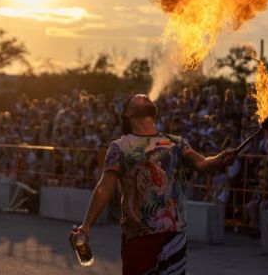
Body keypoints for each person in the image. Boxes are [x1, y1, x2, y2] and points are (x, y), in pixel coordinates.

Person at [76, 94, 236, 275]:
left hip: (173, 234)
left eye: (147, 97)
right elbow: (105, 187)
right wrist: (86, 225)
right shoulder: (120, 147)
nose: (147, 98)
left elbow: (203, 164)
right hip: (138, 236)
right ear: (128, 112)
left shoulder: (175, 142)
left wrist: (220, 159)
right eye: (140, 98)